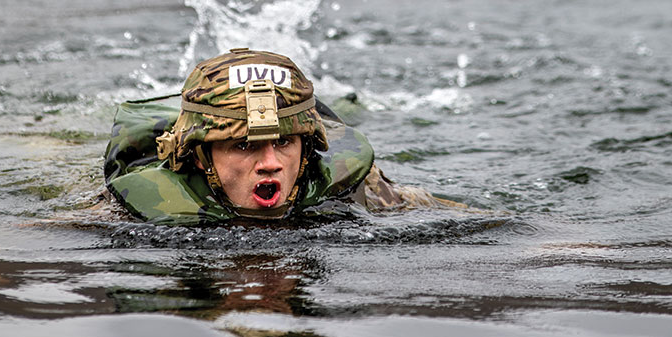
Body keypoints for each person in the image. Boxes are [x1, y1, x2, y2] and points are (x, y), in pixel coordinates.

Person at [104, 47, 470, 225]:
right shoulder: (127, 209)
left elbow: (457, 215)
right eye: (244, 146)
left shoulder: (359, 188)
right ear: (202, 158)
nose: (270, 164)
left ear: (306, 147)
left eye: (283, 142)